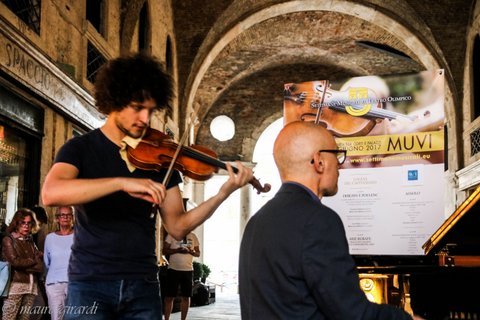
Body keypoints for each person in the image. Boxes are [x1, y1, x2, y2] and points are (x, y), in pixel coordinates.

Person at [40, 53, 253, 320]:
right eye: (137, 107)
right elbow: (51, 193)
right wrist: (120, 182)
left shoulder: (161, 159)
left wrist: (223, 193)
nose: (145, 118)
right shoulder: (80, 148)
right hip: (90, 283)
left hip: (143, 284)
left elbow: (177, 225)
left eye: (150, 110)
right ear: (114, 100)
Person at [238, 121, 424, 320]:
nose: (340, 165)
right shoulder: (319, 221)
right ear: (319, 161)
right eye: (337, 155)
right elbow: (353, 314)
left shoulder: (256, 222)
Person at [1, 208, 44, 320]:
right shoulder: (8, 240)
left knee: (24, 318)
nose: (26, 226)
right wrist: (33, 260)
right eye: (23, 223)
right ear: (16, 224)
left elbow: (40, 267)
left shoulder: (30, 241)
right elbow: (15, 262)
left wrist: (25, 265)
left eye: (29, 223)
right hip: (15, 287)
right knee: (9, 318)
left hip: (31, 287)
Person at [43, 206, 74, 320]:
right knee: (56, 317)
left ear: (72, 218)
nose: (65, 217)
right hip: (54, 284)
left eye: (68, 214)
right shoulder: (49, 238)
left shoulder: (79, 237)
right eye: (62, 215)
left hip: (75, 283)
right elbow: (46, 263)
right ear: (57, 218)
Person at [162, 232, 200, 320]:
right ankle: (166, 319)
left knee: (186, 297)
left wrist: (191, 251)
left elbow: (198, 253)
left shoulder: (193, 236)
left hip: (188, 270)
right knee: (169, 297)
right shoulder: (171, 235)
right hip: (173, 270)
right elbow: (164, 251)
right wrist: (177, 250)